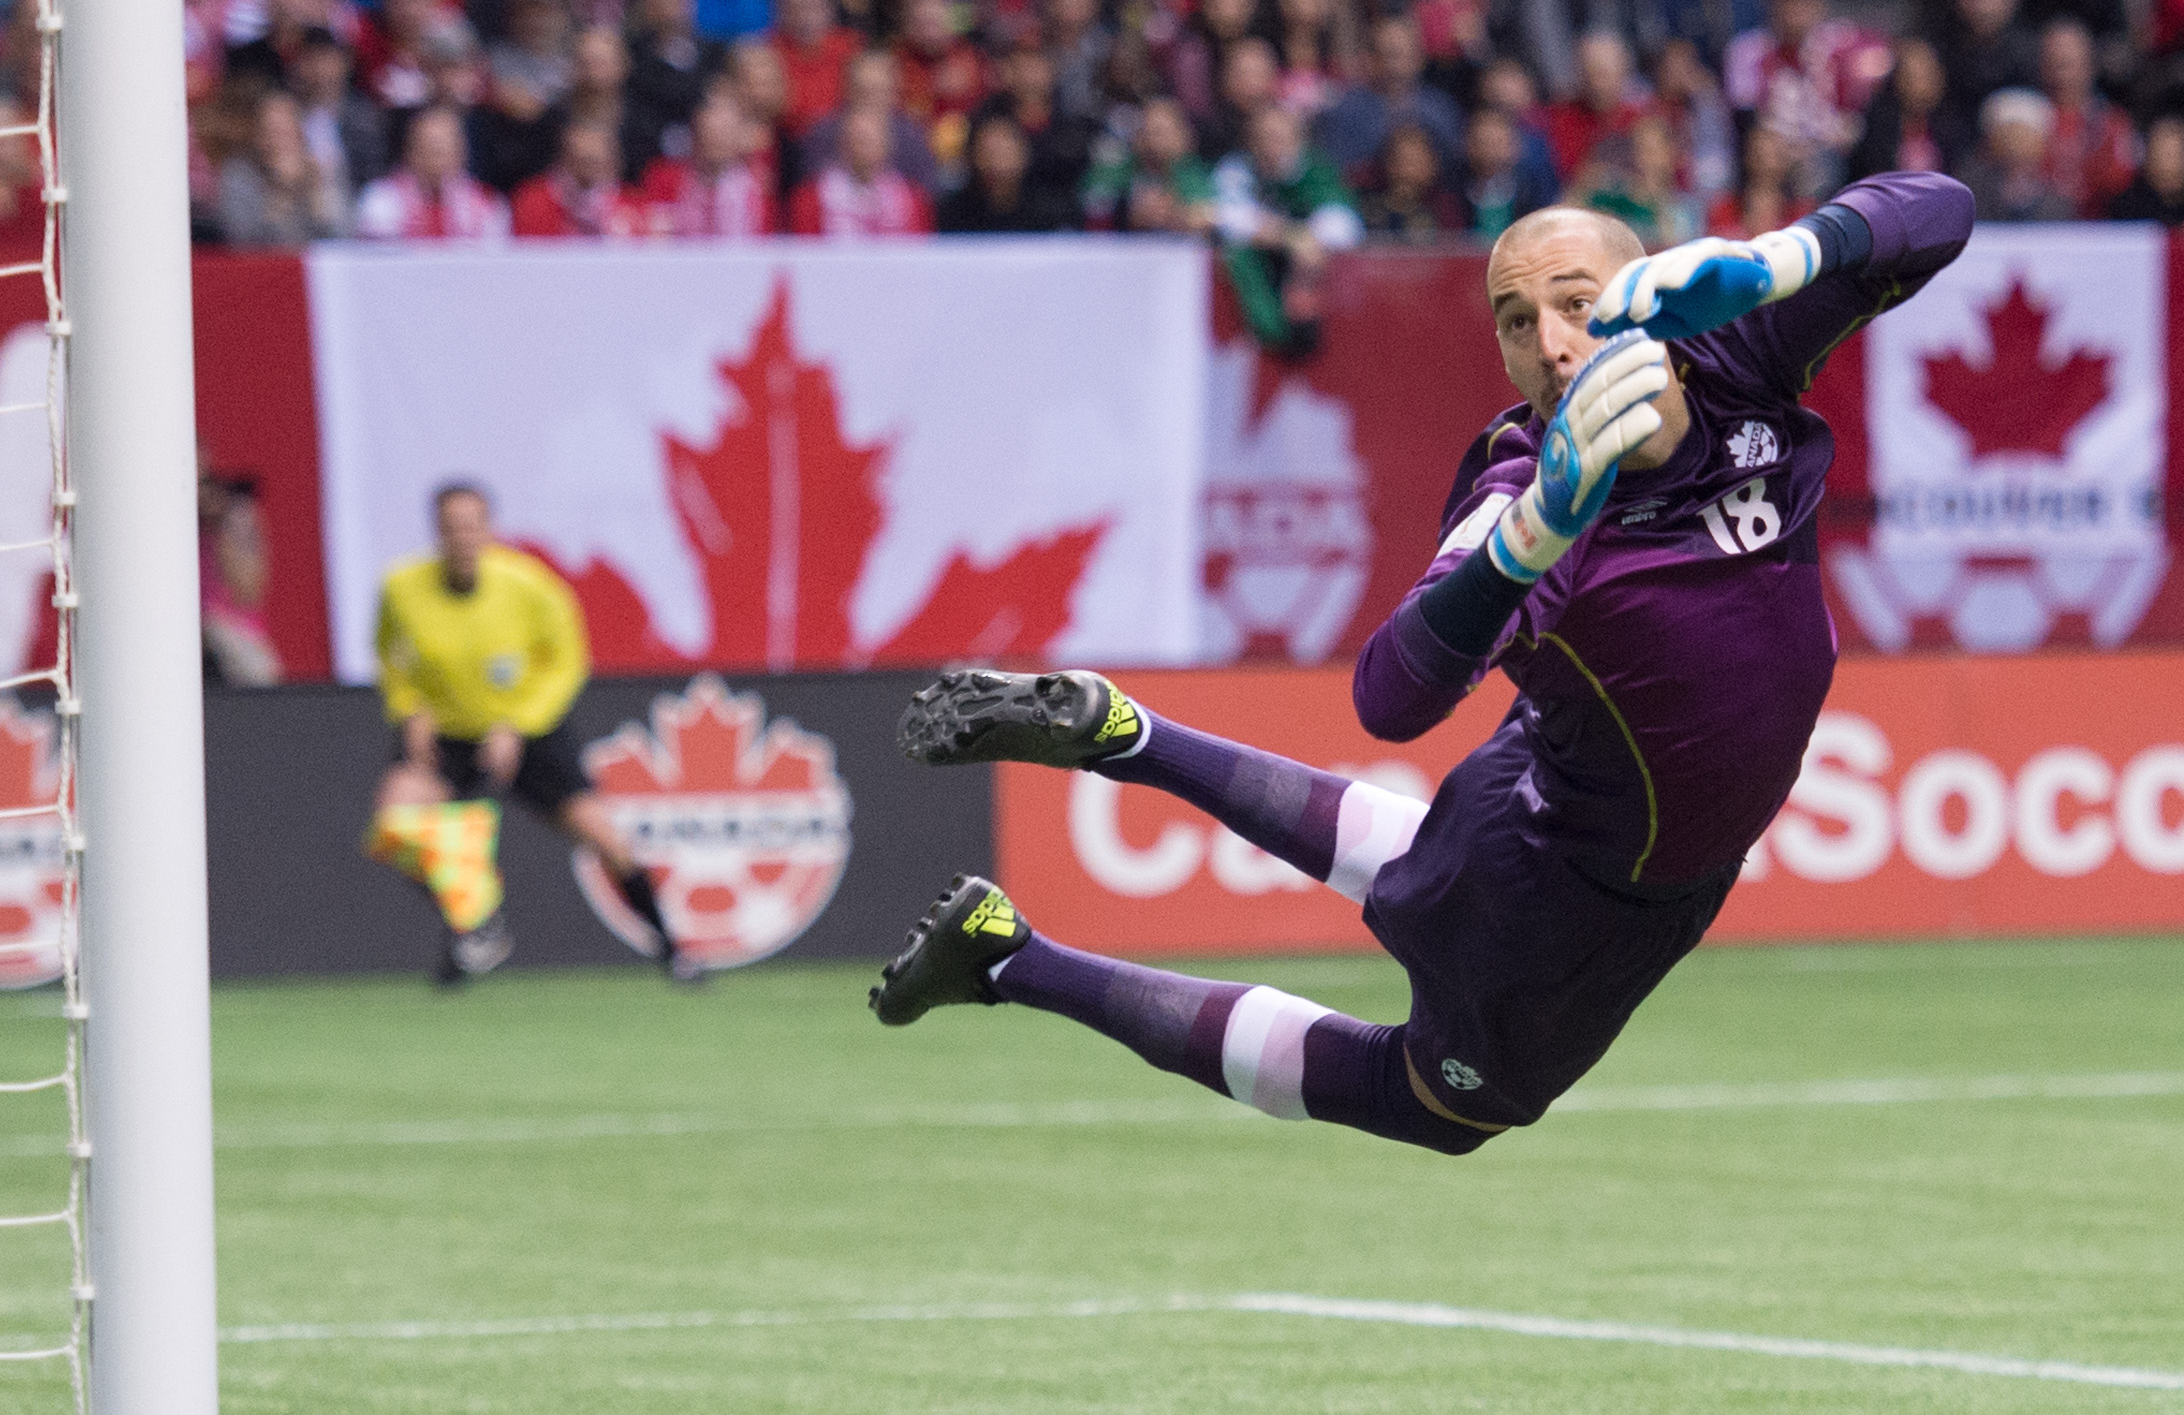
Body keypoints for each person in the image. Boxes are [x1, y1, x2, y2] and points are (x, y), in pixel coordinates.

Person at [870, 174, 1973, 1156]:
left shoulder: (1740, 347)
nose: (1550, 342)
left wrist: (1776, 257)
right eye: (1515, 319)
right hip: (1585, 893)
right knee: (1431, 1103)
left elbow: (1941, 212)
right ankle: (1013, 957)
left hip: (1550, 799)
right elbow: (1391, 693)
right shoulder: (1518, 483)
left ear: (1654, 286)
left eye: (1578, 302)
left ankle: (1124, 737)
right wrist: (1534, 529)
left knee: (1412, 861)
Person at [368, 482, 693, 984]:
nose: (462, 538)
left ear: (490, 530)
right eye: (451, 527)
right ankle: (479, 926)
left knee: (605, 838)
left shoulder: (531, 586)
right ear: (437, 533)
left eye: (473, 525)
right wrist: (410, 709)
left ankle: (673, 950)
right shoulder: (401, 587)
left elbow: (567, 663)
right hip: (446, 736)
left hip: (529, 734)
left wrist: (516, 723)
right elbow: (390, 655)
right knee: (396, 823)